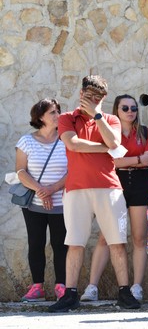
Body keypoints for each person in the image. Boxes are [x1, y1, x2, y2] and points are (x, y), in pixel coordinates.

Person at [48, 75, 140, 312]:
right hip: (77, 189)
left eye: (97, 98)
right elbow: (73, 144)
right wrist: (106, 149)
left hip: (109, 188)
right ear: (81, 94)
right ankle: (70, 295)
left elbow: (115, 140)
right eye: (89, 96)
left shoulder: (110, 119)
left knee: (117, 242)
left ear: (104, 98)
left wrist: (98, 116)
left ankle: (124, 292)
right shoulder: (68, 117)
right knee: (75, 242)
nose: (92, 100)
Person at [80, 94, 148, 302]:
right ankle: (92, 287)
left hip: (141, 183)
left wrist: (130, 160)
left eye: (133, 108)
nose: (130, 111)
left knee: (140, 237)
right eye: (125, 108)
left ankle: (136, 287)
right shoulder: (108, 132)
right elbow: (110, 163)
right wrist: (137, 159)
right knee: (107, 236)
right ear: (116, 110)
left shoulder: (146, 133)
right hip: (115, 182)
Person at [15, 98, 68, 302]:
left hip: (61, 203)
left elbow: (73, 172)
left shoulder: (66, 139)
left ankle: (61, 286)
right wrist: (41, 191)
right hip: (33, 204)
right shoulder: (26, 141)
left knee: (60, 244)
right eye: (52, 112)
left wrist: (51, 189)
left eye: (58, 111)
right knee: (35, 243)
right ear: (40, 117)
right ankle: (37, 287)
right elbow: (20, 171)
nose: (58, 116)